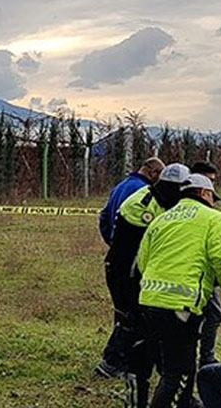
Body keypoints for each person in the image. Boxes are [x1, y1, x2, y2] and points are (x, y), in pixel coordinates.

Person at [138, 174, 221, 408]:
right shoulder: (214, 219)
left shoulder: (162, 219)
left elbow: (143, 261)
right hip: (180, 307)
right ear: (204, 193)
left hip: (150, 301)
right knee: (180, 376)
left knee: (170, 370)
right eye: (213, 197)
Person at [109, 163, 190, 407]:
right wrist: (125, 303)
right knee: (138, 347)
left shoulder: (174, 205)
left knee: (164, 349)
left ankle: (174, 395)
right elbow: (123, 258)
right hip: (131, 281)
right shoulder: (140, 204)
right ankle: (136, 399)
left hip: (158, 287)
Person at [97, 157, 165, 378]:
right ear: (153, 173)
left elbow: (104, 216)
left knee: (124, 313)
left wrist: (113, 242)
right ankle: (115, 361)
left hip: (117, 258)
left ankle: (122, 360)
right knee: (134, 316)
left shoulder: (121, 186)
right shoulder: (144, 192)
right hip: (131, 263)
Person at [191, 161, 221, 367]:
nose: (212, 185)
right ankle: (206, 358)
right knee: (211, 315)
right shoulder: (212, 217)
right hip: (196, 275)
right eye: (209, 181)